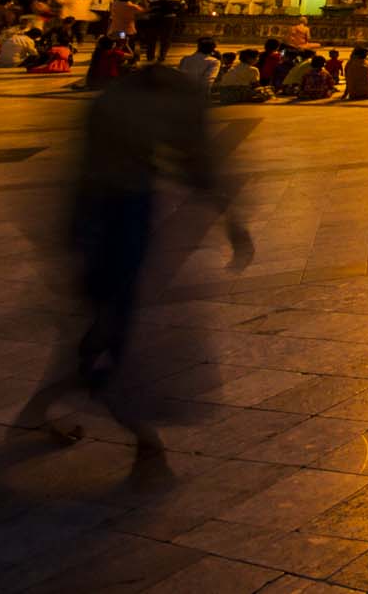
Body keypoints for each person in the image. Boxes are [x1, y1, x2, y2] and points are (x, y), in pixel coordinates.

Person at [14, 65, 253, 475]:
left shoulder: (113, 106)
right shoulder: (156, 111)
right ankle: (145, 441)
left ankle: (33, 418)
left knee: (93, 333)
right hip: (115, 226)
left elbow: (192, 160)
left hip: (97, 220)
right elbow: (197, 163)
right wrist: (231, 219)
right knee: (105, 338)